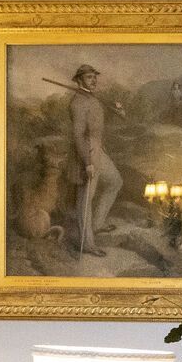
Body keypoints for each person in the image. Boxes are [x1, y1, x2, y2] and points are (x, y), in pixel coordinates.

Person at [66, 64, 123, 256]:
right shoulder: (78, 103)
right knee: (86, 198)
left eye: (94, 77)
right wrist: (87, 162)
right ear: (79, 80)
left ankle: (97, 224)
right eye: (89, 77)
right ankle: (87, 244)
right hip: (86, 151)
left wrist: (116, 111)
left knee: (115, 181)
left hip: (99, 148)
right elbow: (78, 135)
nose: (94, 80)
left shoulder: (92, 98)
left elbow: (99, 124)